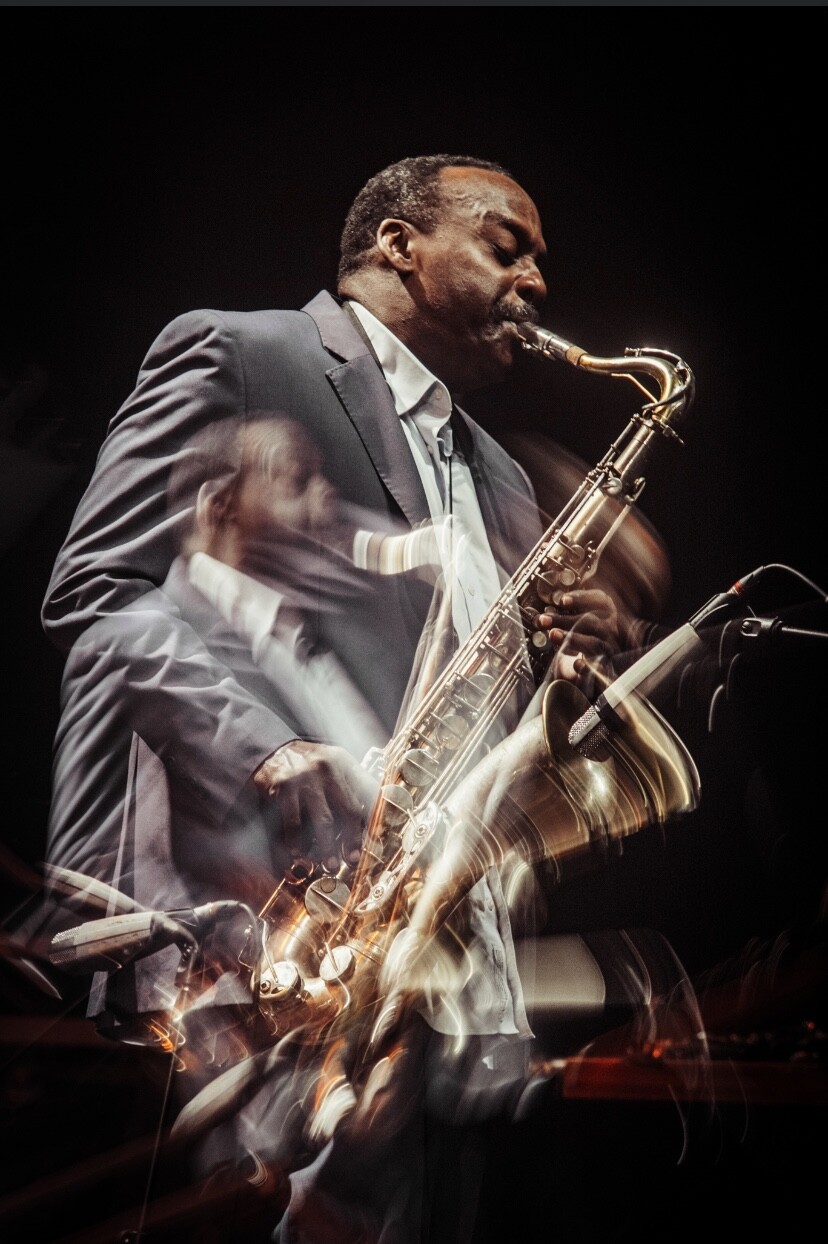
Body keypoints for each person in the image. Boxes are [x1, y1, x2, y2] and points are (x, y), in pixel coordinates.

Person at [37, 154, 671, 1243]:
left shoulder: (503, 478)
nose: (536, 282)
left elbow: (482, 712)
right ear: (398, 245)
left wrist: (578, 662)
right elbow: (98, 596)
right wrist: (268, 746)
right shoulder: (241, 352)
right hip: (244, 955)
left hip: (430, 983)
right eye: (506, 246)